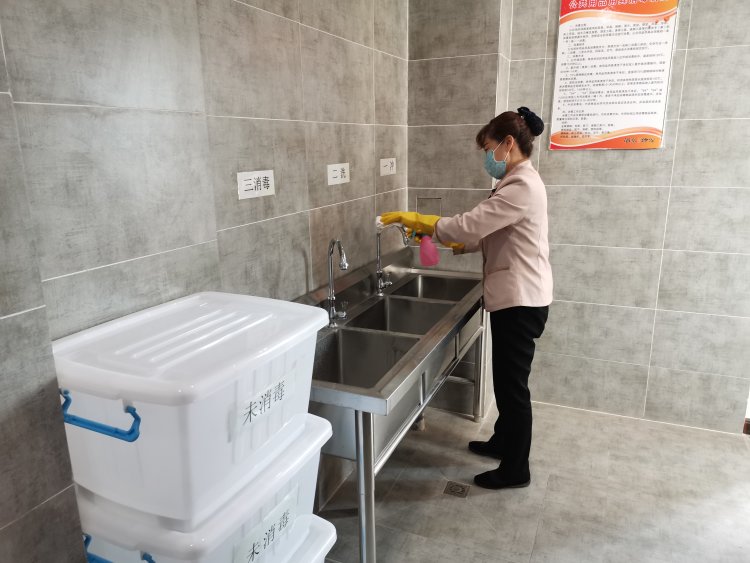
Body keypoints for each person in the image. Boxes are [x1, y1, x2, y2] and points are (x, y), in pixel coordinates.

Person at [380, 107, 553, 490]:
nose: (487, 157)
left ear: (508, 144)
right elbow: (488, 232)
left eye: (489, 148)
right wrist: (451, 241)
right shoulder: (515, 181)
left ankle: (516, 469)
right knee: (506, 381)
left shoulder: (521, 186)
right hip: (518, 297)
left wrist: (423, 222)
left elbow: (470, 224)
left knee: (512, 388)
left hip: (521, 301)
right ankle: (502, 442)